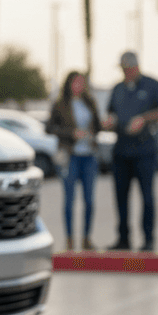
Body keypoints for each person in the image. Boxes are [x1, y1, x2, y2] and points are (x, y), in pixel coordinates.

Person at [103, 51, 158, 251]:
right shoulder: (117, 89)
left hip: (144, 151)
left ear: (136, 67)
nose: (126, 73)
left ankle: (148, 239)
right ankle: (123, 239)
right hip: (121, 151)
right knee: (121, 197)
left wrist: (144, 118)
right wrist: (110, 120)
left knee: (147, 196)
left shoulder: (152, 85)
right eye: (123, 69)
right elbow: (111, 112)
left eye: (129, 69)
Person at [47, 71, 100, 250]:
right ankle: (69, 238)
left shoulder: (90, 102)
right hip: (70, 156)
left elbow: (98, 126)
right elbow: (50, 128)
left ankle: (86, 237)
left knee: (89, 199)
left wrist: (97, 130)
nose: (79, 85)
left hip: (89, 155)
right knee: (69, 199)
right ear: (69, 83)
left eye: (81, 82)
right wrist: (71, 133)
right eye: (76, 82)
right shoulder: (60, 104)